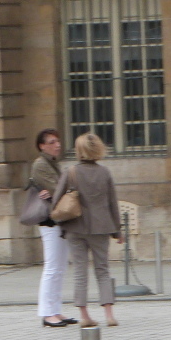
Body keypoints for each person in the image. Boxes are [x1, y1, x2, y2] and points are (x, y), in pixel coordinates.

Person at [52, 132, 123, 328]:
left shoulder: (70, 171)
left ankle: (84, 315)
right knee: (102, 270)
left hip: (75, 227)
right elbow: (112, 203)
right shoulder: (105, 173)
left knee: (80, 272)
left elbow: (57, 200)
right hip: (101, 227)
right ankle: (109, 314)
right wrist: (117, 231)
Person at [30, 130, 75, 328]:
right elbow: (59, 190)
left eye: (57, 140)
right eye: (52, 142)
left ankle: (55, 310)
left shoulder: (53, 164)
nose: (57, 144)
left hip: (58, 219)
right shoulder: (40, 165)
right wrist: (64, 189)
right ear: (42, 146)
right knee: (52, 267)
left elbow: (61, 189)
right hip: (49, 220)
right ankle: (47, 313)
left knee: (60, 267)